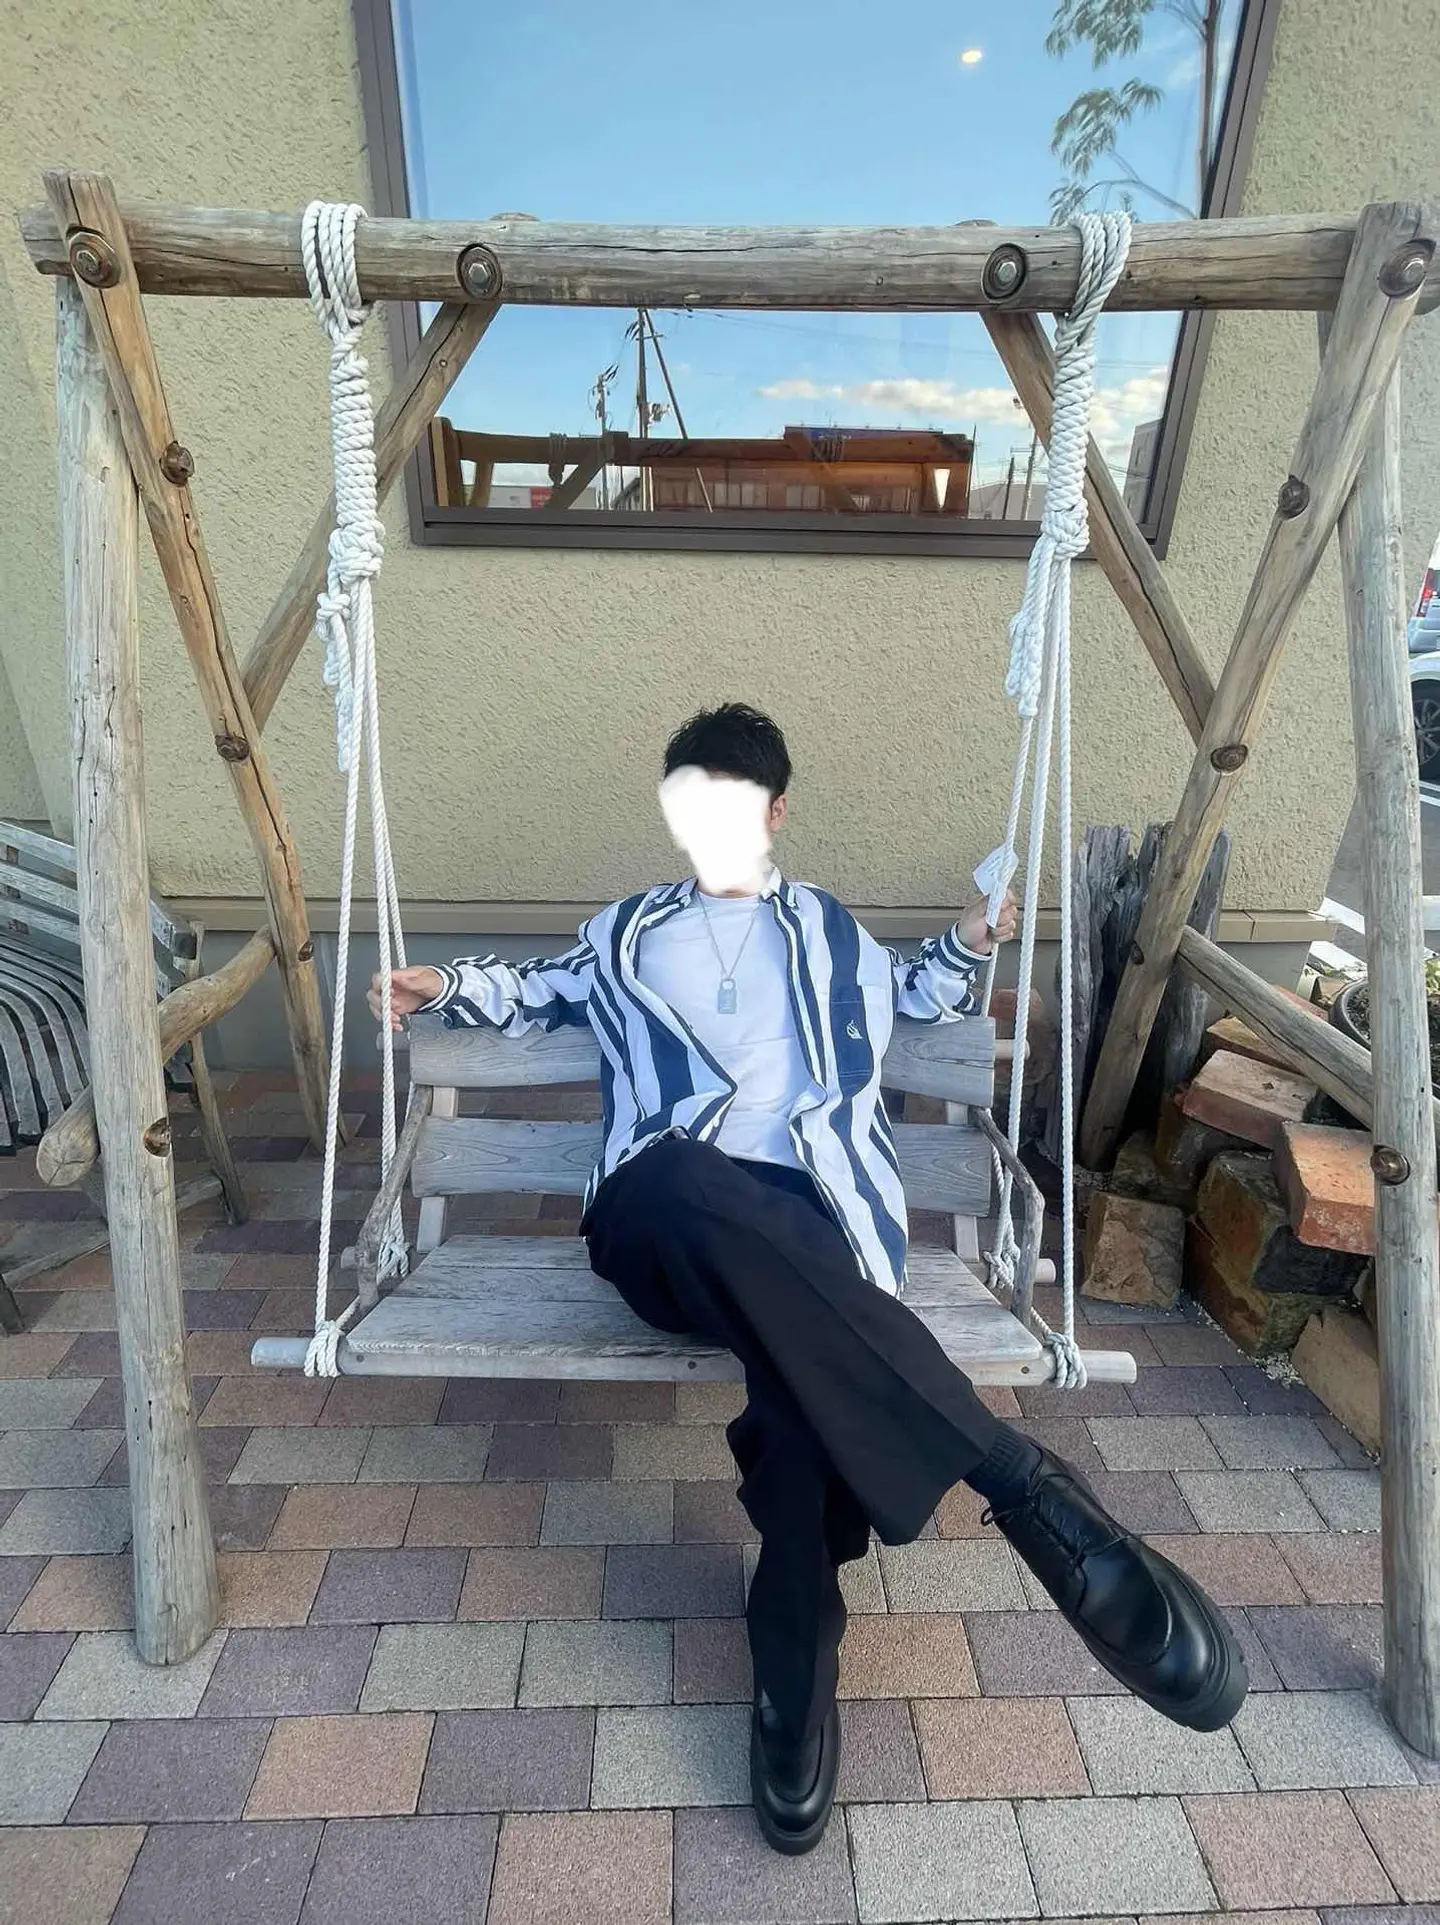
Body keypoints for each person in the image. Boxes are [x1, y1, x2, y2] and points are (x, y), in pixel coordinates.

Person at [370, 702, 1246, 1856]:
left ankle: (796, 1651)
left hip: (812, 1211)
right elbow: (536, 989)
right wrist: (442, 985)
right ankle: (1018, 1478)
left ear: (777, 811)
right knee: (686, 1176)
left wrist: (971, 935)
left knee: (801, 1384)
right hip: (662, 1209)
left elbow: (920, 990)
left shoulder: (828, 930)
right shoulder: (627, 929)